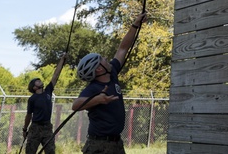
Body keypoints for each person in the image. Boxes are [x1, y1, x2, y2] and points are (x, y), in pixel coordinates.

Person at [72, 12, 147, 154]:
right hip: (98, 146)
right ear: (99, 69)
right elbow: (75, 105)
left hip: (116, 143)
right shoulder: (94, 88)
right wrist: (98, 99)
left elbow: (123, 48)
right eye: (103, 59)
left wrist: (135, 24)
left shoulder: (112, 73)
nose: (107, 58)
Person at [22, 52, 67, 154]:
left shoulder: (48, 91)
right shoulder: (32, 99)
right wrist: (25, 130)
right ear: (34, 87)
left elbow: (56, 75)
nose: (39, 81)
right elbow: (28, 115)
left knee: (50, 151)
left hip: (47, 127)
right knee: (30, 151)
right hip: (35, 128)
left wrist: (62, 60)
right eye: (37, 81)